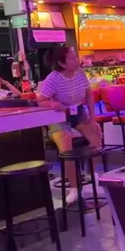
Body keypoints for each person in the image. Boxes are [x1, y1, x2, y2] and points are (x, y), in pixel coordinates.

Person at [36, 45, 103, 195]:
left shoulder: (80, 73)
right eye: (73, 58)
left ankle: (91, 174)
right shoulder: (52, 79)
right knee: (66, 150)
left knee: (96, 138)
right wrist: (53, 104)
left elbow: (89, 96)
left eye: (76, 56)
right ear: (62, 63)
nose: (77, 60)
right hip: (59, 116)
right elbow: (40, 101)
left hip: (78, 111)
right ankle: (74, 188)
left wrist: (93, 119)